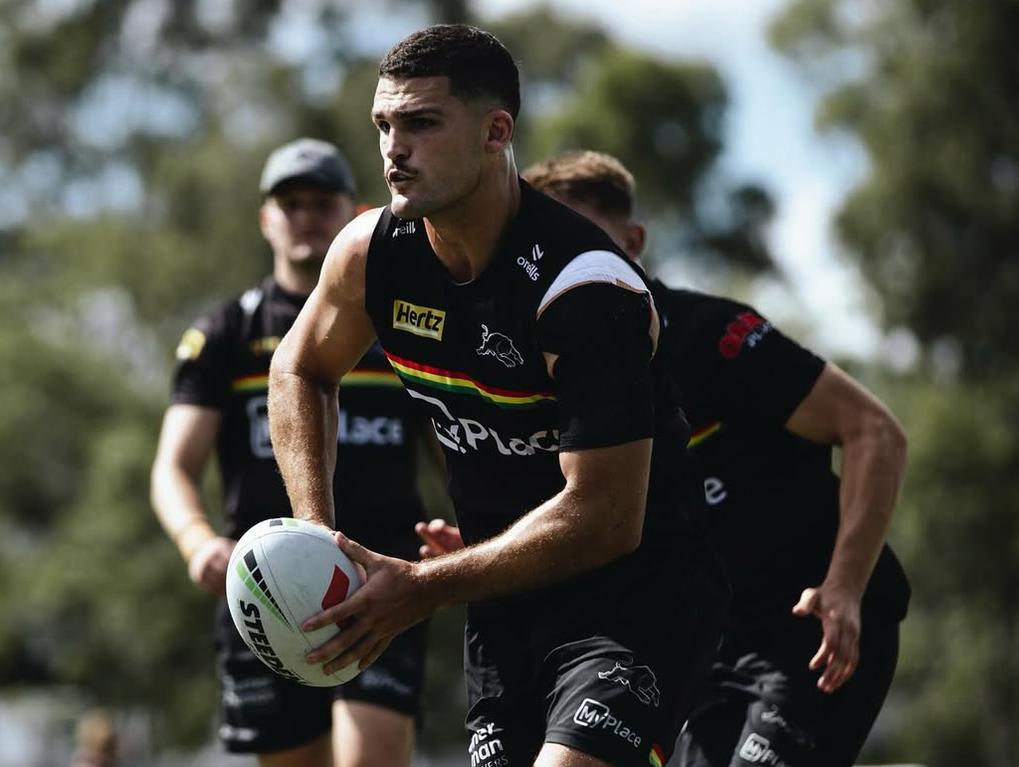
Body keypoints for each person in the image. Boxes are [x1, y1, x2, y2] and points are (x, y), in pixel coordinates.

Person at [267, 25, 728, 767]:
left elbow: (605, 517)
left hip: (636, 601)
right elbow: (298, 368)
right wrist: (315, 542)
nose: (394, 149)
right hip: (503, 606)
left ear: (496, 131)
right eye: (384, 125)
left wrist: (420, 587)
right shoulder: (370, 252)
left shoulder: (585, 290)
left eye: (421, 123)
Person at [512, 151, 909, 767]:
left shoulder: (713, 336)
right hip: (700, 645)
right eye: (547, 247)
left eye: (586, 240)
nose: (567, 265)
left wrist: (845, 588)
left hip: (812, 630)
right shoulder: (549, 375)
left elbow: (875, 432)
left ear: (634, 242)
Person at [150, 138, 433, 767]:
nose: (304, 215)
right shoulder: (227, 333)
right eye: (290, 202)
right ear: (266, 219)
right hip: (265, 586)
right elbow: (173, 467)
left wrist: (477, 530)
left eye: (321, 201)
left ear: (352, 212)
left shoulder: (401, 325)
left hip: (382, 579)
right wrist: (196, 542)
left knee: (375, 753)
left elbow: (454, 448)